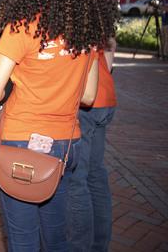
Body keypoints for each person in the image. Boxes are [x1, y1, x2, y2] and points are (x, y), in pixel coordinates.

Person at [0, 0, 118, 251]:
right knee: (56, 238)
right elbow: (88, 95)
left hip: (21, 141)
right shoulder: (85, 30)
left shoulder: (22, 27)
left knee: (23, 240)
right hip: (66, 143)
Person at [69, 41, 117, 251]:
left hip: (85, 100)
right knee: (95, 176)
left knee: (77, 180)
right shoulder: (98, 10)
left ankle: (79, 246)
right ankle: (99, 244)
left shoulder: (74, 10)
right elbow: (110, 50)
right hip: (104, 95)